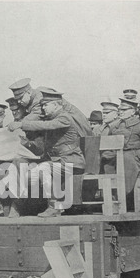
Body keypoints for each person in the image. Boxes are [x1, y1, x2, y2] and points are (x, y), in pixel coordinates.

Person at [8, 88, 86, 218]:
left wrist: (22, 124)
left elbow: (47, 125)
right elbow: (42, 148)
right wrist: (25, 143)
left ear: (56, 105)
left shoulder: (64, 117)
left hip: (71, 162)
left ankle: (54, 206)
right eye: (42, 105)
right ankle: (22, 205)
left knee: (43, 169)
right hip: (57, 162)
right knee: (27, 174)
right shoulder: (51, 118)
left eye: (46, 105)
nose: (43, 108)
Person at [101, 98, 140, 203]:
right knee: (105, 160)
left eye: (124, 110)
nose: (121, 112)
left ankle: (122, 197)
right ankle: (111, 197)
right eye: (120, 109)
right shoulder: (114, 126)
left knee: (127, 159)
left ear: (133, 111)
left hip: (134, 159)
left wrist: (137, 155)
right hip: (117, 157)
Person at [8, 78, 93, 137]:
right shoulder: (32, 98)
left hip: (77, 125)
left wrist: (18, 124)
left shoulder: (39, 96)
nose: (19, 102)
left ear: (29, 92)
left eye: (20, 98)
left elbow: (35, 116)